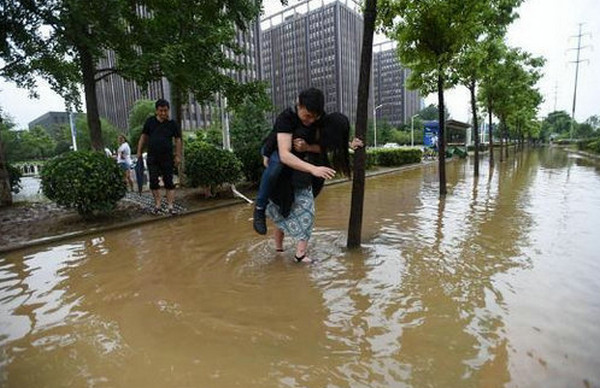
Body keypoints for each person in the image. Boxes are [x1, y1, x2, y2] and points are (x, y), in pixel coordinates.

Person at [266, 112, 362, 263]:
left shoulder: (324, 133)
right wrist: (304, 149)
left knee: (292, 210)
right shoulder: (307, 127)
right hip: (292, 176)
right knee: (294, 210)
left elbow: (326, 147)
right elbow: (286, 149)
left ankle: (288, 251)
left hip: (310, 177)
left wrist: (349, 145)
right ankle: (294, 253)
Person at [253, 87, 326, 235]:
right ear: (298, 105)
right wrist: (313, 169)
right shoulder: (286, 117)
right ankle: (259, 209)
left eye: (315, 117)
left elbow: (329, 144)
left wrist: (308, 147)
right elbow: (284, 155)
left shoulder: (321, 118)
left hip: (297, 156)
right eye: (308, 115)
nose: (311, 121)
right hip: (274, 150)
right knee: (275, 167)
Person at [136, 99, 182, 215]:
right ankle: (158, 204)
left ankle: (170, 206)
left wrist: (178, 155)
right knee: (153, 181)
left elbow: (178, 140)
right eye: (161, 111)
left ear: (168, 111)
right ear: (156, 111)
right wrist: (139, 152)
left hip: (167, 157)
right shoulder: (150, 122)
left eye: (165, 111)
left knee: (169, 181)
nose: (163, 113)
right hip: (152, 157)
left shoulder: (172, 124)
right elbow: (143, 137)